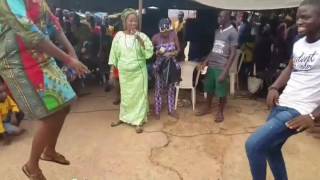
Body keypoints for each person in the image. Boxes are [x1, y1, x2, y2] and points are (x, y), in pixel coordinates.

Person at [0, 0, 89, 179]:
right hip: (18, 61)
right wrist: (68, 60)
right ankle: (32, 166)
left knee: (65, 104)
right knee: (49, 115)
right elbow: (30, 33)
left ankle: (49, 151)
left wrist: (72, 52)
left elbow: (53, 24)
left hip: (42, 55)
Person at [245, 1, 320, 179]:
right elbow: (290, 68)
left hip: (299, 111)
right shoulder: (298, 43)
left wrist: (313, 116)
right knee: (271, 148)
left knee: (253, 145)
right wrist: (274, 86)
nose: (299, 21)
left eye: (306, 17)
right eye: (298, 17)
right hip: (283, 103)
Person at [109, 9, 154, 133]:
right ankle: (124, 117)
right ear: (124, 22)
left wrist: (138, 37)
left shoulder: (142, 36)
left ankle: (138, 121)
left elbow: (149, 52)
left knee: (139, 96)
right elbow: (113, 54)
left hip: (139, 73)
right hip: (124, 74)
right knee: (126, 96)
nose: (133, 23)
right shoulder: (118, 36)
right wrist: (112, 71)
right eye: (130, 21)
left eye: (135, 21)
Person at [196, 11, 239, 122]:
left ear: (227, 17)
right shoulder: (217, 31)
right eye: (218, 16)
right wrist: (206, 60)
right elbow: (214, 48)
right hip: (212, 64)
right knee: (209, 88)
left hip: (221, 66)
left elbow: (233, 53)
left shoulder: (233, 32)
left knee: (221, 91)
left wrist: (225, 71)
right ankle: (207, 107)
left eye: (221, 16)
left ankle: (220, 112)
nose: (218, 18)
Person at [152, 18, 181, 120]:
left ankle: (171, 110)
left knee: (171, 88)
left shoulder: (173, 35)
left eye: (166, 31)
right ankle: (157, 110)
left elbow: (178, 50)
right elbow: (150, 52)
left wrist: (171, 53)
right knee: (158, 89)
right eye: (163, 32)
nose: (165, 34)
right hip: (160, 66)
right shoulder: (155, 38)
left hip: (171, 65)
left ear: (169, 29)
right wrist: (157, 53)